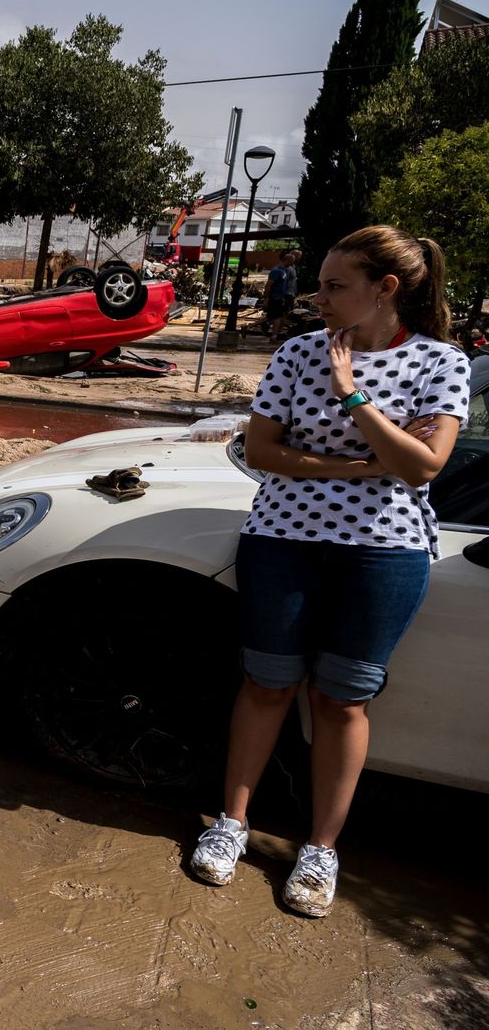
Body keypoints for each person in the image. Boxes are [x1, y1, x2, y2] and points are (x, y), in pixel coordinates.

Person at [189, 226, 470, 917]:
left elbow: (423, 467)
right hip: (282, 540)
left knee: (343, 700)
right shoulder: (294, 353)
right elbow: (263, 451)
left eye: (334, 286)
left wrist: (350, 394)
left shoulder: (441, 363)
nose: (318, 298)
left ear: (387, 290)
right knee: (266, 684)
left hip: (384, 552)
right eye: (319, 283)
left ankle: (321, 848)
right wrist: (356, 465)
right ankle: (231, 823)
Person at [265, 248, 301, 339]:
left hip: (283, 296)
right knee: (277, 315)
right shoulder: (278, 270)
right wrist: (266, 298)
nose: (293, 262)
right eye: (292, 260)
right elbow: (269, 285)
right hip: (278, 296)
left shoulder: (285, 270)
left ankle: (277, 333)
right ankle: (275, 334)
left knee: (281, 315)